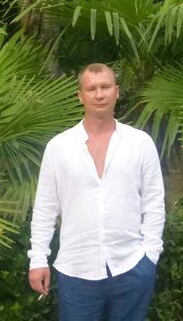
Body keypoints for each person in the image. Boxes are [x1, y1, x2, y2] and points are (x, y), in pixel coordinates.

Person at [28, 63, 165, 321]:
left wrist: (150, 256)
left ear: (117, 91)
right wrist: (37, 259)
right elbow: (45, 208)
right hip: (76, 270)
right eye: (91, 89)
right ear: (80, 96)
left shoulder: (140, 143)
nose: (99, 94)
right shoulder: (59, 147)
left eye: (105, 87)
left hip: (131, 266)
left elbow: (154, 202)